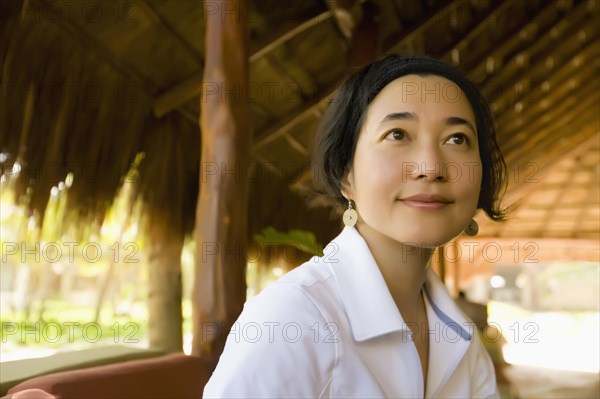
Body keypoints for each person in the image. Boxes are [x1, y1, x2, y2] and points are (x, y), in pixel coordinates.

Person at [203, 54, 507, 398]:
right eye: (397, 134)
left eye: (457, 139)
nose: (430, 166)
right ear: (345, 175)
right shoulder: (291, 320)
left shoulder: (461, 338)